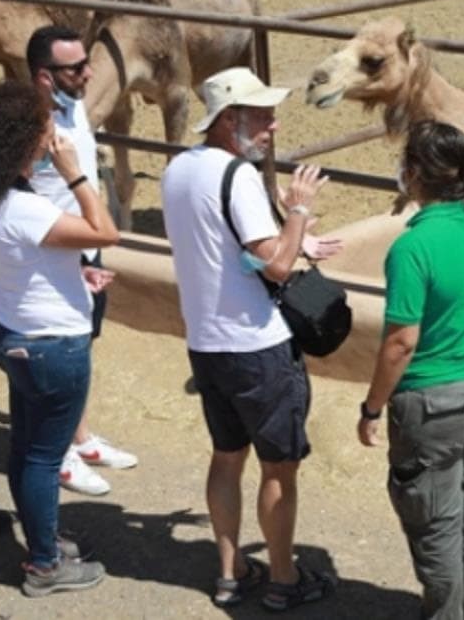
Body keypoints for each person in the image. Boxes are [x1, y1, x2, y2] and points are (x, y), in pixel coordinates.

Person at [161, 67, 337, 611]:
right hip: (257, 347)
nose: (272, 124)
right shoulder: (237, 177)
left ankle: (230, 571)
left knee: (226, 457)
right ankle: (283, 580)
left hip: (208, 344)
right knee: (278, 467)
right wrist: (300, 211)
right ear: (228, 120)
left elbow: (227, 246)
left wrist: (292, 234)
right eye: (261, 115)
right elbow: (277, 269)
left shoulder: (178, 169)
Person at [0, 80, 119, 596]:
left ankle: (42, 540)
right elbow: (105, 231)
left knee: (28, 449)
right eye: (47, 132)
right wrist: (76, 175)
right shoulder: (27, 209)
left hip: (17, 334)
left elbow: (28, 257)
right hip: (54, 346)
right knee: (44, 457)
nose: (55, 140)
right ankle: (45, 565)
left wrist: (76, 274)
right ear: (24, 142)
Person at [357, 121, 464, 620]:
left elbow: (401, 343)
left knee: (435, 522)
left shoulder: (412, 247)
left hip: (434, 400)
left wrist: (372, 407)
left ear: (415, 172)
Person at [26, 25, 137, 497]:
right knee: (56, 358)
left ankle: (80, 437)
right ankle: (59, 456)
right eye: (75, 68)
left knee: (83, 345)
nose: (89, 72)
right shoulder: (31, 124)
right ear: (45, 77)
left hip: (86, 248)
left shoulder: (72, 109)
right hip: (53, 252)